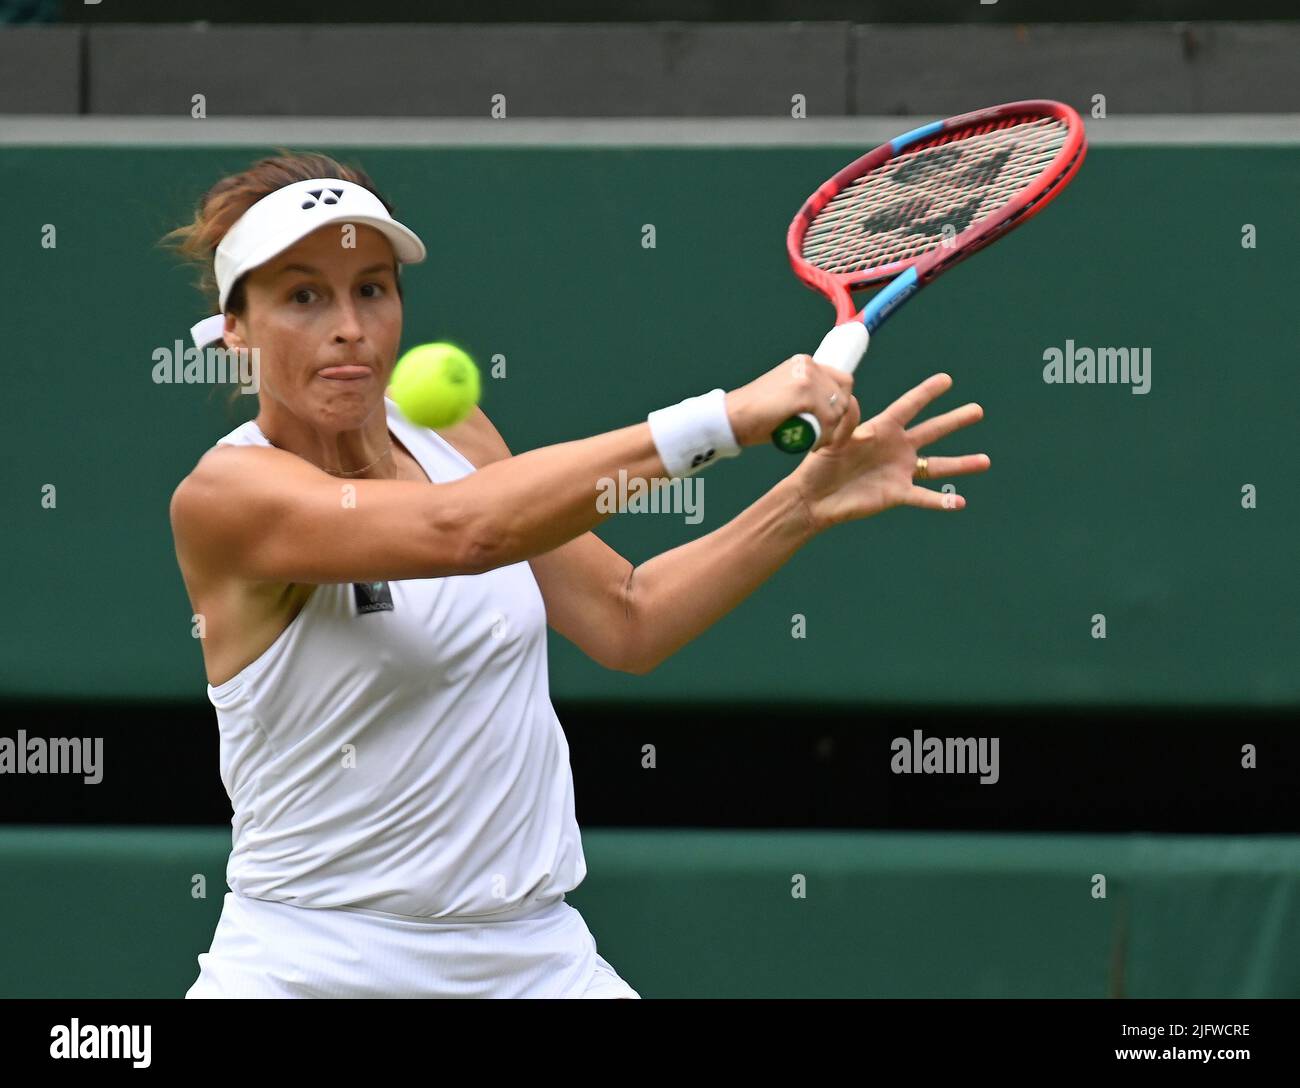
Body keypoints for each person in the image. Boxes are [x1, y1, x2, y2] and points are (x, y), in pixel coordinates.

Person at [164, 150, 989, 999]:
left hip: (532, 961)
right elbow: (467, 529)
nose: (348, 326)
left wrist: (801, 504)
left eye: (371, 289)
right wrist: (725, 419)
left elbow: (629, 618)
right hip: (315, 967)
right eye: (303, 296)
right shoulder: (229, 496)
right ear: (237, 328)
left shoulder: (454, 437)